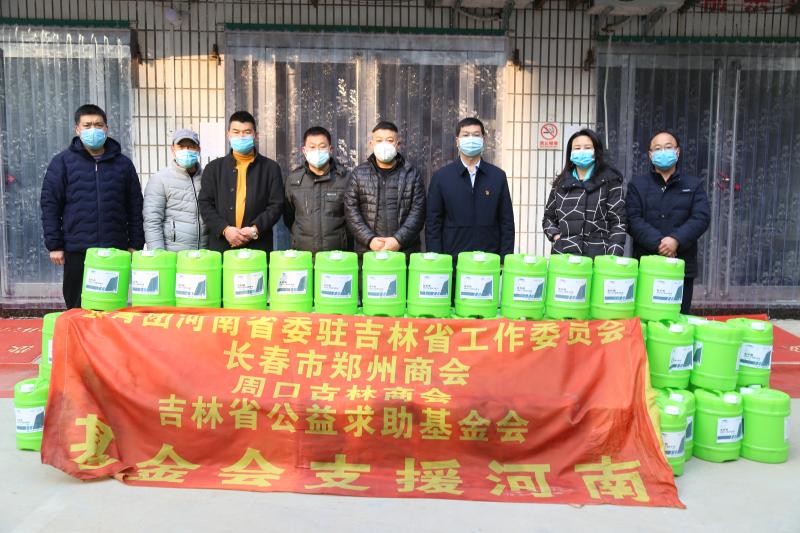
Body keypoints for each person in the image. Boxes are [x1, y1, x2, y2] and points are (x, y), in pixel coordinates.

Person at [40, 104, 144, 309]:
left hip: (114, 249)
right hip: (77, 249)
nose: (93, 129)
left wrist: (135, 242)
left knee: (111, 306)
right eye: (87, 125)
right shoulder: (62, 162)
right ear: (77, 129)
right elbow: (50, 205)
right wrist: (55, 245)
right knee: (77, 308)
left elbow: (135, 206)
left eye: (98, 125)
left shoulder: (123, 164)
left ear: (106, 128)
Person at [626, 131, 710, 314]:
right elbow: (632, 219)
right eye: (657, 148)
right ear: (650, 155)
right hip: (646, 263)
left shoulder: (694, 185)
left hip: (681, 264)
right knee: (645, 317)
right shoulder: (637, 185)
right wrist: (659, 244)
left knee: (677, 317)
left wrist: (676, 240)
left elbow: (701, 217)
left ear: (677, 152)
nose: (663, 152)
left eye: (668, 147)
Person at [425, 117, 514, 260]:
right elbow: (433, 224)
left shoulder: (497, 177)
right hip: (452, 261)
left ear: (483, 139)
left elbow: (506, 222)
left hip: (489, 261)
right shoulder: (441, 177)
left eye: (476, 135)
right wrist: (436, 259)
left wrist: (504, 259)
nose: (471, 139)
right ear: (457, 141)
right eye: (466, 135)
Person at [198, 111, 284, 253]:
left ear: (255, 135)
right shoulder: (213, 168)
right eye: (236, 132)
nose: (241, 136)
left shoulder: (271, 168)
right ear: (228, 135)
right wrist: (225, 229)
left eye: (247, 132)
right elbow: (205, 204)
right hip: (222, 246)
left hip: (258, 246)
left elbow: (276, 205)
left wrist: (255, 230)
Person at [344, 121, 426, 254]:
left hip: (404, 253)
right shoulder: (358, 174)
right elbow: (351, 211)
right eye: (379, 140)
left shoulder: (412, 174)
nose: (384, 145)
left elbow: (418, 212)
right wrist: (370, 240)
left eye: (389, 140)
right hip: (368, 253)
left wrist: (398, 240)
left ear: (398, 145)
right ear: (371, 144)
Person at [542, 128, 626, 258]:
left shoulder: (610, 181)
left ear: (596, 151)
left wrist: (613, 256)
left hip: (599, 258)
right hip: (564, 258)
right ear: (570, 153)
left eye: (587, 148)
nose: (582, 151)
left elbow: (618, 222)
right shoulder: (560, 183)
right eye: (577, 148)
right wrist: (557, 237)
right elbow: (548, 218)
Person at [283, 126, 350, 254]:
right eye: (312, 147)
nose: (317, 151)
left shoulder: (345, 179)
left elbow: (351, 217)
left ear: (330, 149)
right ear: (304, 150)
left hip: (337, 255)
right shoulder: (293, 180)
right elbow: (289, 216)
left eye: (322, 146)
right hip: (303, 254)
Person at [143, 128, 207, 251]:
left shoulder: (207, 178)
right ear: (173, 150)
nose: (186, 150)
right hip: (173, 254)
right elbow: (152, 221)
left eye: (191, 146)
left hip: (204, 254)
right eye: (181, 147)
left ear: (198, 149)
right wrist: (159, 254)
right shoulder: (160, 179)